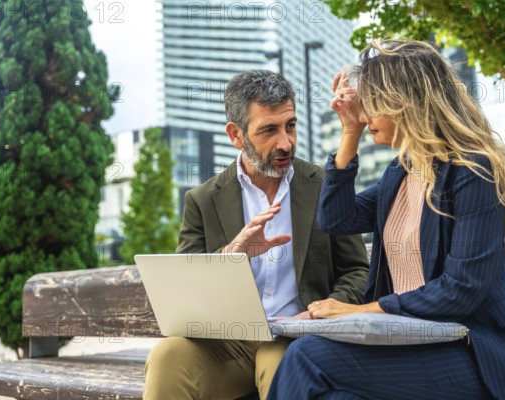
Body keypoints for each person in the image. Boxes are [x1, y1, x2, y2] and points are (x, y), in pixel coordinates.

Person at [267, 39, 505, 400]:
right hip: (416, 338)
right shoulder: (403, 172)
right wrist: (349, 134)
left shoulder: (473, 172)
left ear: (404, 102)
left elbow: (462, 288)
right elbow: (335, 219)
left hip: (479, 351)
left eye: (371, 105)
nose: (364, 115)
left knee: (307, 357)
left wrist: (359, 310)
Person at [143, 70, 369, 400]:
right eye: (269, 130)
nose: (285, 142)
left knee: (279, 360)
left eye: (290, 125)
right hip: (226, 342)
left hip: (298, 336)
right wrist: (229, 257)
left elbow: (356, 270)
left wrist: (323, 311)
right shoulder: (203, 200)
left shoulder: (324, 185)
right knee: (167, 357)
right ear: (236, 135)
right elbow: (185, 292)